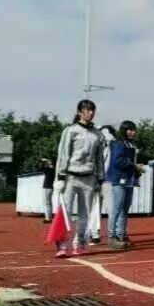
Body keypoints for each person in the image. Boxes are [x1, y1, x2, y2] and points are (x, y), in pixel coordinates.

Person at [53, 99, 105, 257]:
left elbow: (99, 159)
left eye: (92, 110)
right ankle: (62, 244)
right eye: (87, 110)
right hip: (70, 176)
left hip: (88, 178)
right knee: (65, 212)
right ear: (79, 112)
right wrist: (60, 176)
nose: (90, 113)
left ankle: (79, 242)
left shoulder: (98, 134)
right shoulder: (70, 130)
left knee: (86, 214)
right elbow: (63, 153)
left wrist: (100, 178)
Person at [106, 120, 145, 250]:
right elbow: (117, 161)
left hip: (129, 180)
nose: (132, 132)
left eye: (134, 130)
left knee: (124, 209)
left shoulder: (131, 145)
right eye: (129, 130)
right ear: (124, 130)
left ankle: (121, 235)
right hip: (119, 179)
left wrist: (136, 170)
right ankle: (112, 237)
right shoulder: (118, 143)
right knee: (117, 208)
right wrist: (134, 166)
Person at [87, 125, 115, 245]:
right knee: (95, 207)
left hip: (108, 180)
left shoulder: (112, 146)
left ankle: (112, 234)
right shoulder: (95, 148)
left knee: (111, 209)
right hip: (97, 180)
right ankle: (95, 234)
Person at [41, 158, 55, 224]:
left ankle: (48, 218)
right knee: (49, 203)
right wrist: (48, 162)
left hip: (47, 187)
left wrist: (46, 161)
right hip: (51, 187)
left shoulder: (50, 169)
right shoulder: (54, 169)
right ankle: (49, 216)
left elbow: (42, 168)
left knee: (46, 203)